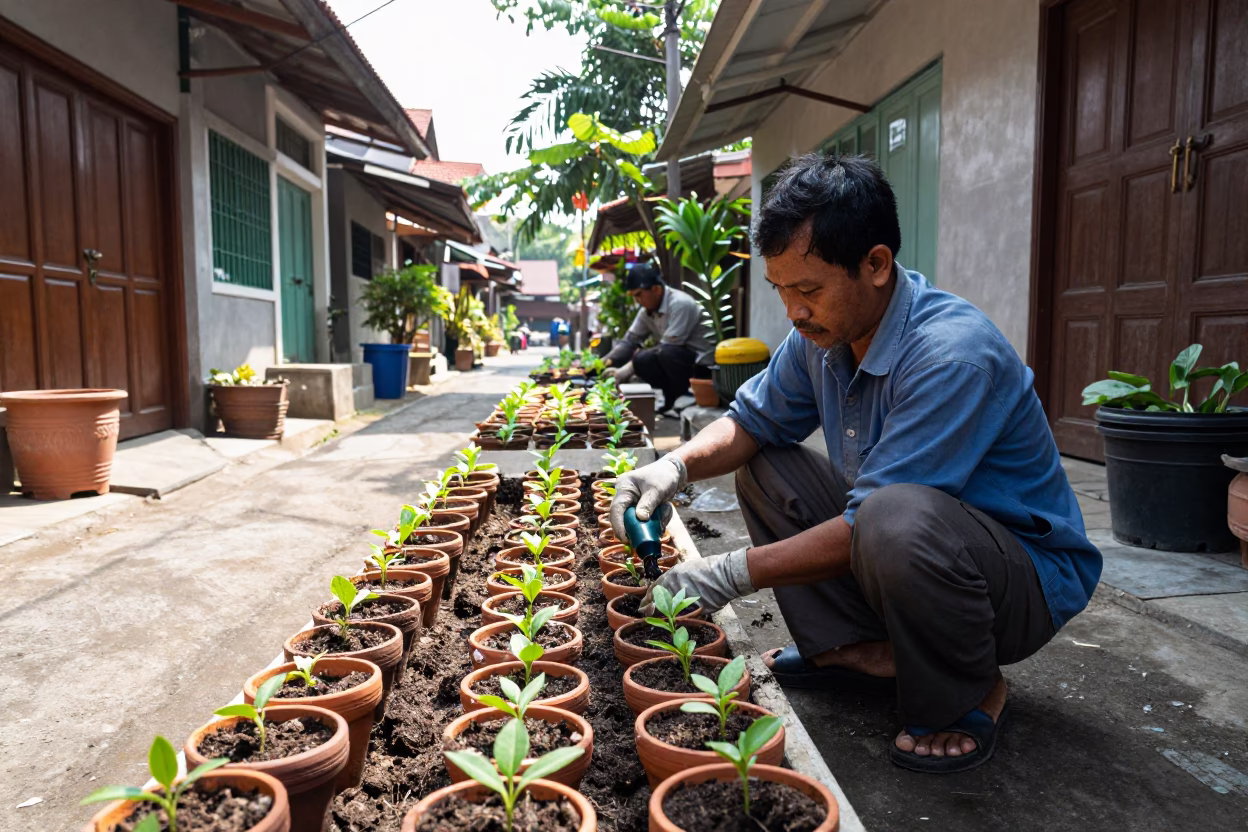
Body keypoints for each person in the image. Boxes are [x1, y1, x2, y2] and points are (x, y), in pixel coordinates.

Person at [610, 153, 1101, 773]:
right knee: (768, 467)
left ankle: (967, 689)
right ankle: (859, 647)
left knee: (893, 517)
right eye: (781, 290)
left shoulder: (950, 355)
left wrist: (728, 574)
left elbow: (874, 517)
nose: (793, 311)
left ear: (875, 264)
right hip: (915, 549)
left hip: (1016, 583)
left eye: (808, 290)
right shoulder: (820, 337)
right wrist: (673, 468)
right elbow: (752, 422)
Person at [604, 264, 715, 414]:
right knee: (644, 360)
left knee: (657, 355)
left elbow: (670, 346)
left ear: (655, 289)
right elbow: (629, 341)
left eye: (639, 294)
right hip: (677, 359)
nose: (637, 300)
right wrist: (604, 362)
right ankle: (671, 399)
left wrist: (626, 370)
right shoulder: (647, 312)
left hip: (701, 367)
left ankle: (687, 395)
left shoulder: (680, 303)